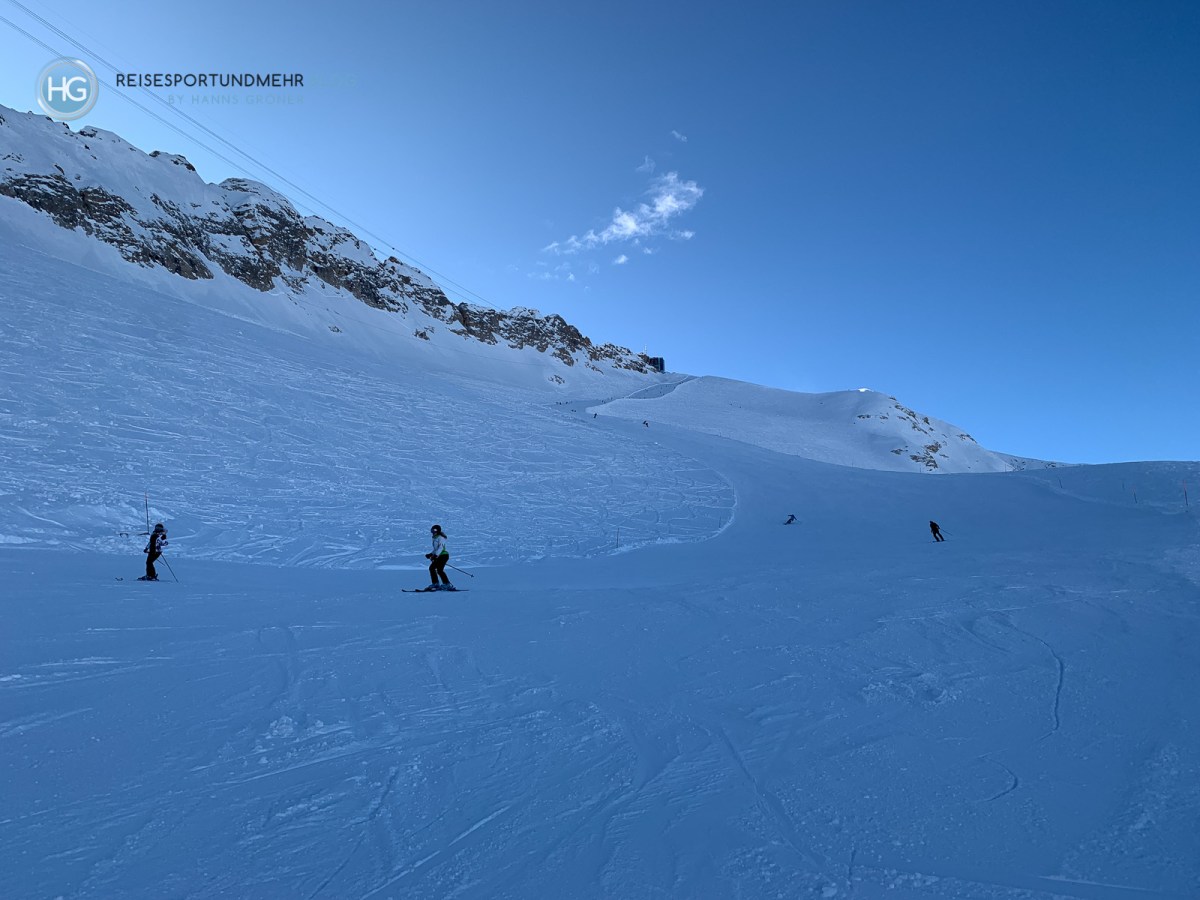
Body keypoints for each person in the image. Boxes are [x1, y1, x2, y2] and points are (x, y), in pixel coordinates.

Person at [425, 524, 454, 591]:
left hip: (443, 555)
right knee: (432, 568)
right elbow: (436, 549)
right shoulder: (435, 538)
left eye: (434, 530)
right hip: (439, 555)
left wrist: (435, 555)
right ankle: (435, 583)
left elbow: (441, 548)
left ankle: (447, 584)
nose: (432, 532)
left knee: (439, 570)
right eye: (432, 530)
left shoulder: (441, 538)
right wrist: (431, 554)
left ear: (437, 531)